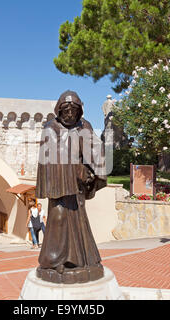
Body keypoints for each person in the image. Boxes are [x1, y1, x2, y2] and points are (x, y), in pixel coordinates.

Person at [35, 90, 107, 283]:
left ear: (79, 112)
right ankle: (52, 260)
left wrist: (91, 169)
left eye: (74, 112)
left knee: (79, 221)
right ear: (59, 110)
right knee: (57, 217)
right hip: (58, 185)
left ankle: (85, 260)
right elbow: (50, 160)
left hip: (77, 187)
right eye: (66, 111)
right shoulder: (51, 128)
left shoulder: (85, 126)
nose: (69, 115)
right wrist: (75, 168)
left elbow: (95, 149)